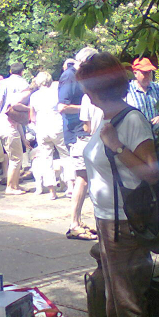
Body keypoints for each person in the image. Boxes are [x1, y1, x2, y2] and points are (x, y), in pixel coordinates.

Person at [77, 52, 159, 317]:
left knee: (129, 304)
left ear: (96, 87)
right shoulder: (106, 118)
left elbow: (152, 173)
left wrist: (115, 146)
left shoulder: (131, 121)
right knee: (114, 303)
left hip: (126, 225)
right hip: (106, 223)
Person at [59, 47, 99, 240]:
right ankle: (74, 223)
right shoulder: (70, 76)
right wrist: (89, 107)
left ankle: (78, 221)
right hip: (80, 134)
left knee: (86, 180)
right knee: (82, 180)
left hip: (85, 132)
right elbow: (62, 107)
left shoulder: (83, 77)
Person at [29, 71, 70, 200]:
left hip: (42, 129)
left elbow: (32, 117)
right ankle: (71, 186)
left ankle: (52, 191)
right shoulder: (56, 93)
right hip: (57, 126)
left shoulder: (34, 96)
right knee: (66, 156)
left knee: (46, 159)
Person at [0, 62, 32, 194]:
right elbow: (15, 106)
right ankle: (10, 187)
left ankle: (15, 185)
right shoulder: (24, 86)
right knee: (15, 158)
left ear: (10, 71)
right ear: (22, 72)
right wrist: (29, 109)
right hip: (8, 125)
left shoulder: (4, 83)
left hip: (6, 123)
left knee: (16, 157)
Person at [125, 57, 159, 129]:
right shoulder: (127, 90)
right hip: (137, 134)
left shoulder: (157, 88)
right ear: (135, 73)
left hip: (158, 133)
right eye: (145, 73)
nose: (148, 76)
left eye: (150, 72)